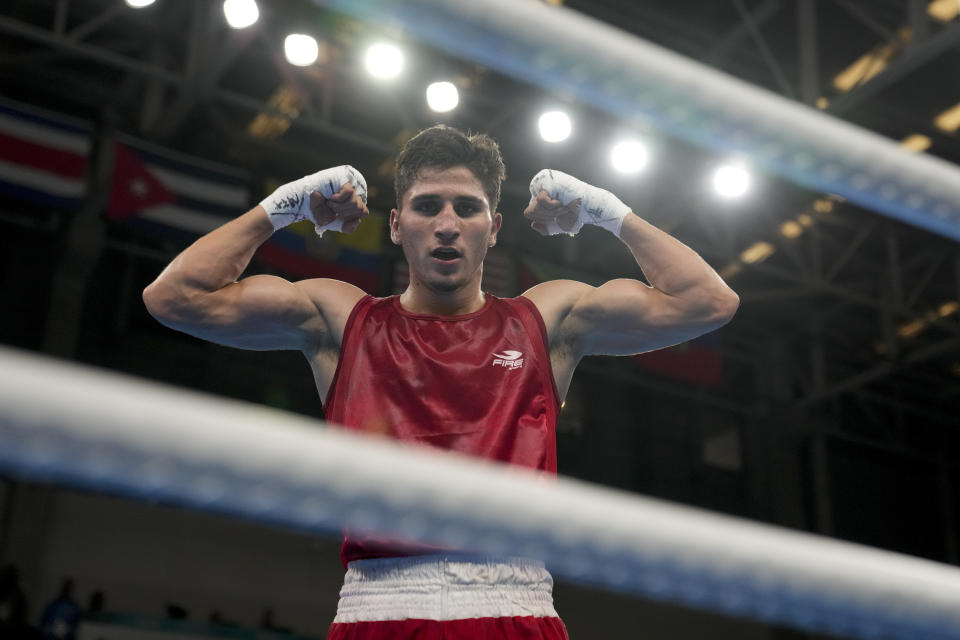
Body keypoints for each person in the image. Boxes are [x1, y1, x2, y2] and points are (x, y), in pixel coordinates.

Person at [143, 125, 739, 639]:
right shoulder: (342, 318)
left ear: (495, 227)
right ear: (397, 226)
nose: (447, 225)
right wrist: (282, 206)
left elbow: (708, 301)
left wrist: (605, 211)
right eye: (428, 207)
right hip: (377, 610)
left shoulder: (546, 320)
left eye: (467, 207)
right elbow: (173, 298)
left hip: (513, 607)